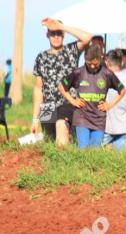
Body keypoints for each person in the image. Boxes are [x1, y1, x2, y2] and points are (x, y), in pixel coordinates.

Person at [31, 17, 92, 145]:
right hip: (47, 106)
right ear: (47, 35)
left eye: (59, 33)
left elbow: (87, 37)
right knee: (49, 141)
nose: (56, 37)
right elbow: (38, 89)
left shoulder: (71, 50)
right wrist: (35, 119)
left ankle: (66, 163)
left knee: (61, 128)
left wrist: (61, 26)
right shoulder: (41, 57)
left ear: (63, 35)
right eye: (53, 33)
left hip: (68, 102)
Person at [58, 42, 126, 149]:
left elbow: (122, 91)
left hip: (99, 119)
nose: (93, 66)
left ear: (101, 58)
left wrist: (109, 105)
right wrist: (73, 101)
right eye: (89, 64)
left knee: (95, 150)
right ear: (85, 58)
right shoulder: (78, 72)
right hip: (82, 117)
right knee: (83, 149)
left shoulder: (107, 74)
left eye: (96, 63)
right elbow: (61, 86)